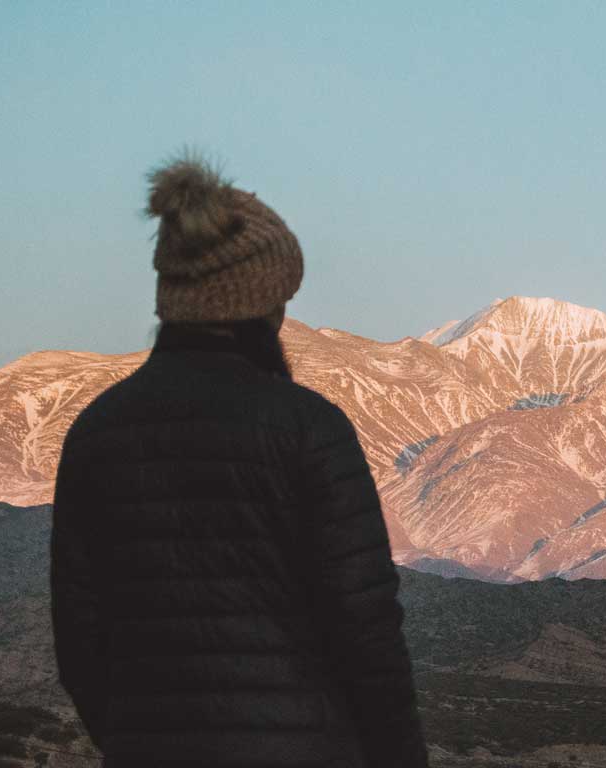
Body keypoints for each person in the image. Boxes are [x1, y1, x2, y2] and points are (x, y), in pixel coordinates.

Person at [50, 156, 428, 767]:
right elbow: (367, 631)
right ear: (261, 305)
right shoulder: (309, 429)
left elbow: (80, 644)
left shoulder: (95, 435)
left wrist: (138, 741)